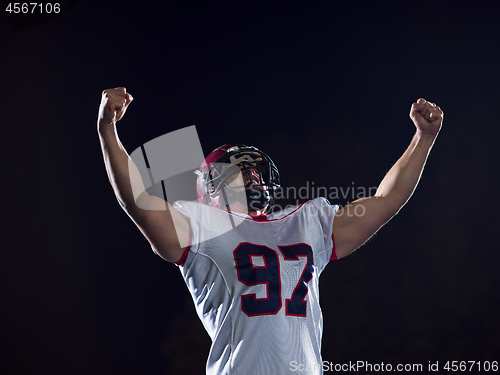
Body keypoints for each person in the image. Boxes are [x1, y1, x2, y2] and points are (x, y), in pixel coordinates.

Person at [97, 87, 443, 375]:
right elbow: (137, 201)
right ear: (211, 186)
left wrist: (422, 139)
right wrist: (107, 131)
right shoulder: (200, 226)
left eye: (256, 171)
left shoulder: (308, 221)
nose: (252, 177)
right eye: (238, 170)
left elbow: (387, 199)